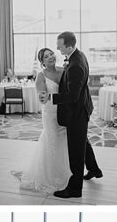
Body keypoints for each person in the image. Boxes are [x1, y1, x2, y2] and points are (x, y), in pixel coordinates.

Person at [9, 49, 71, 192]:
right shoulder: (41, 76)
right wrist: (49, 96)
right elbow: (43, 99)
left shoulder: (64, 70)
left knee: (63, 143)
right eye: (46, 56)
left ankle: (64, 173)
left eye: (51, 54)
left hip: (65, 113)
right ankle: (50, 176)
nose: (50, 57)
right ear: (42, 62)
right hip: (50, 113)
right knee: (52, 142)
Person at [51, 31, 102, 199]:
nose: (58, 50)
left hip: (77, 113)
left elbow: (72, 96)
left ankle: (74, 189)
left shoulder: (75, 65)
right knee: (83, 142)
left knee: (76, 150)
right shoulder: (79, 56)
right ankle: (94, 169)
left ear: (70, 46)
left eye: (60, 47)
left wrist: (53, 97)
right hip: (83, 108)